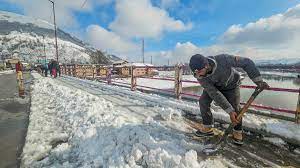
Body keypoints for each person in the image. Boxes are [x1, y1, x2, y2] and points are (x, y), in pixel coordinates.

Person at [189, 54, 269, 145]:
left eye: (199, 72)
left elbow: (247, 62)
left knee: (235, 107)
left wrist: (258, 81)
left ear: (206, 66)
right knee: (203, 101)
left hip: (231, 85)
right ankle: (208, 128)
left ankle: (237, 132)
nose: (197, 75)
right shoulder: (201, 77)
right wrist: (229, 111)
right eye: (195, 73)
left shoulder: (223, 59)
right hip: (214, 87)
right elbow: (215, 93)